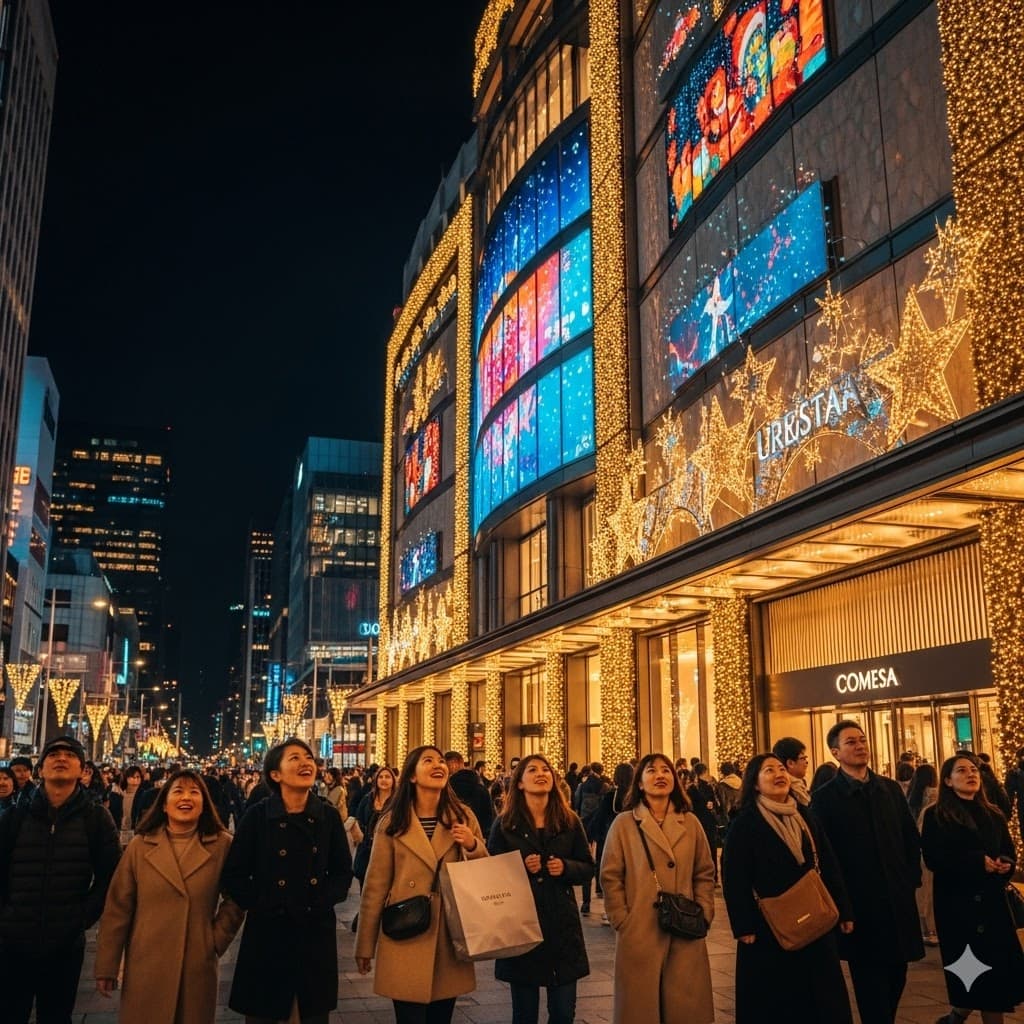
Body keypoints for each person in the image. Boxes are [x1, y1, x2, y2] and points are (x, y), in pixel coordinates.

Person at [94, 770, 245, 1023]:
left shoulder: (222, 845)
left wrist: (214, 940)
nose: (186, 798)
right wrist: (107, 965)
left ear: (204, 804)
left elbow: (237, 897)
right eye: (178, 792)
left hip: (196, 962)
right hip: (146, 962)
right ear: (164, 804)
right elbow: (118, 908)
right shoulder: (140, 847)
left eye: (194, 793)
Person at [221, 738, 353, 1024]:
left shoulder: (327, 816)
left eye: (308, 757)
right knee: (263, 1012)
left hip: (314, 929)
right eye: (294, 758)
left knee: (313, 1013)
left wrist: (321, 899)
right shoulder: (258, 816)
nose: (306, 762)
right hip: (268, 930)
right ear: (275, 774)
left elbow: (343, 871)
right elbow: (235, 873)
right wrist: (262, 901)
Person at [355, 745, 487, 1023]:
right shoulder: (392, 822)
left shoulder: (462, 817)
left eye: (440, 761)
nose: (438, 765)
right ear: (412, 776)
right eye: (428, 761)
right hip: (405, 931)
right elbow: (375, 886)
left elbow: (483, 874)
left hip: (448, 937)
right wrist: (365, 945)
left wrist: (473, 845)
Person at [722, 752, 854, 1023]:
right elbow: (734, 877)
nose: (778, 774)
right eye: (769, 770)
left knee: (821, 998)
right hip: (768, 925)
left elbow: (828, 863)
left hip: (815, 919)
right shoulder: (745, 823)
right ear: (755, 784)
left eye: (781, 769)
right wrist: (743, 925)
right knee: (776, 1001)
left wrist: (844, 908)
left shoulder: (805, 815)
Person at [0, 735, 121, 1024]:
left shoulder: (96, 819)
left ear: (82, 770)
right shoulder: (15, 816)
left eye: (70, 754)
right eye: (53, 754)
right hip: (12, 940)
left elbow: (111, 877)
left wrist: (80, 919)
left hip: (64, 943)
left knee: (56, 1016)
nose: (61, 758)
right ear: (40, 769)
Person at [812, 720, 924, 1024]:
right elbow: (824, 854)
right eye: (851, 742)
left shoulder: (888, 789)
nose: (860, 746)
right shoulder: (824, 798)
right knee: (869, 977)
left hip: (896, 897)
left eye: (862, 740)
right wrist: (841, 903)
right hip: (858, 903)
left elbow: (909, 837)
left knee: (898, 971)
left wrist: (910, 877)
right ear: (835, 752)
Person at [600, 752, 715, 1024]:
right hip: (640, 928)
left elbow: (704, 872)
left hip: (686, 925)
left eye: (666, 771)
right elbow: (610, 875)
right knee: (642, 1008)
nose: (660, 776)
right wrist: (621, 918)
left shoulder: (691, 823)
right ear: (639, 783)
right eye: (651, 771)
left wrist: (705, 910)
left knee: (684, 1007)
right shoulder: (625, 824)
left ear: (675, 780)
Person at [487, 754, 593, 1024]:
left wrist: (566, 868)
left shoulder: (569, 821)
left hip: (562, 929)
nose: (540, 773)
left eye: (545, 769)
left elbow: (588, 867)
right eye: (531, 770)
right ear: (519, 783)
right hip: (521, 929)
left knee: (562, 1013)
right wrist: (520, 868)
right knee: (524, 1015)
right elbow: (491, 874)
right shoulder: (505, 824)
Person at [921, 754, 1024, 1024]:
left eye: (974, 770)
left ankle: (957, 1016)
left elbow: (1007, 851)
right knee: (973, 977)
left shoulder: (993, 813)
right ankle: (958, 1014)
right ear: (948, 780)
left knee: (994, 981)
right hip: (959, 910)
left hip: (993, 908)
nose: (971, 774)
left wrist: (1005, 864)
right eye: (962, 770)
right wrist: (977, 862)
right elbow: (934, 857)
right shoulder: (936, 815)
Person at [906, 762, 940, 946]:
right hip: (931, 848)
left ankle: (925, 928)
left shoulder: (911, 796)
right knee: (932, 890)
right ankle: (933, 928)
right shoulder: (935, 796)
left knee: (922, 891)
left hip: (916, 850)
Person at [444, 750, 494, 836]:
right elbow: (489, 817)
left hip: (452, 836)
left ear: (454, 763)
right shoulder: (480, 788)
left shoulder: (445, 789)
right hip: (478, 836)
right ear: (462, 763)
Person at [686, 762, 722, 883]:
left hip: (696, 822)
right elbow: (717, 805)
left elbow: (689, 807)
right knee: (711, 849)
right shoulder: (709, 786)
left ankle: (697, 876)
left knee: (696, 850)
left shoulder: (691, 789)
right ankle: (714, 876)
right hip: (709, 822)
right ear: (705, 772)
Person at [771, 736, 811, 805]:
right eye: (803, 758)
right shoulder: (786, 790)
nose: (806, 762)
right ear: (790, 763)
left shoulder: (799, 785)